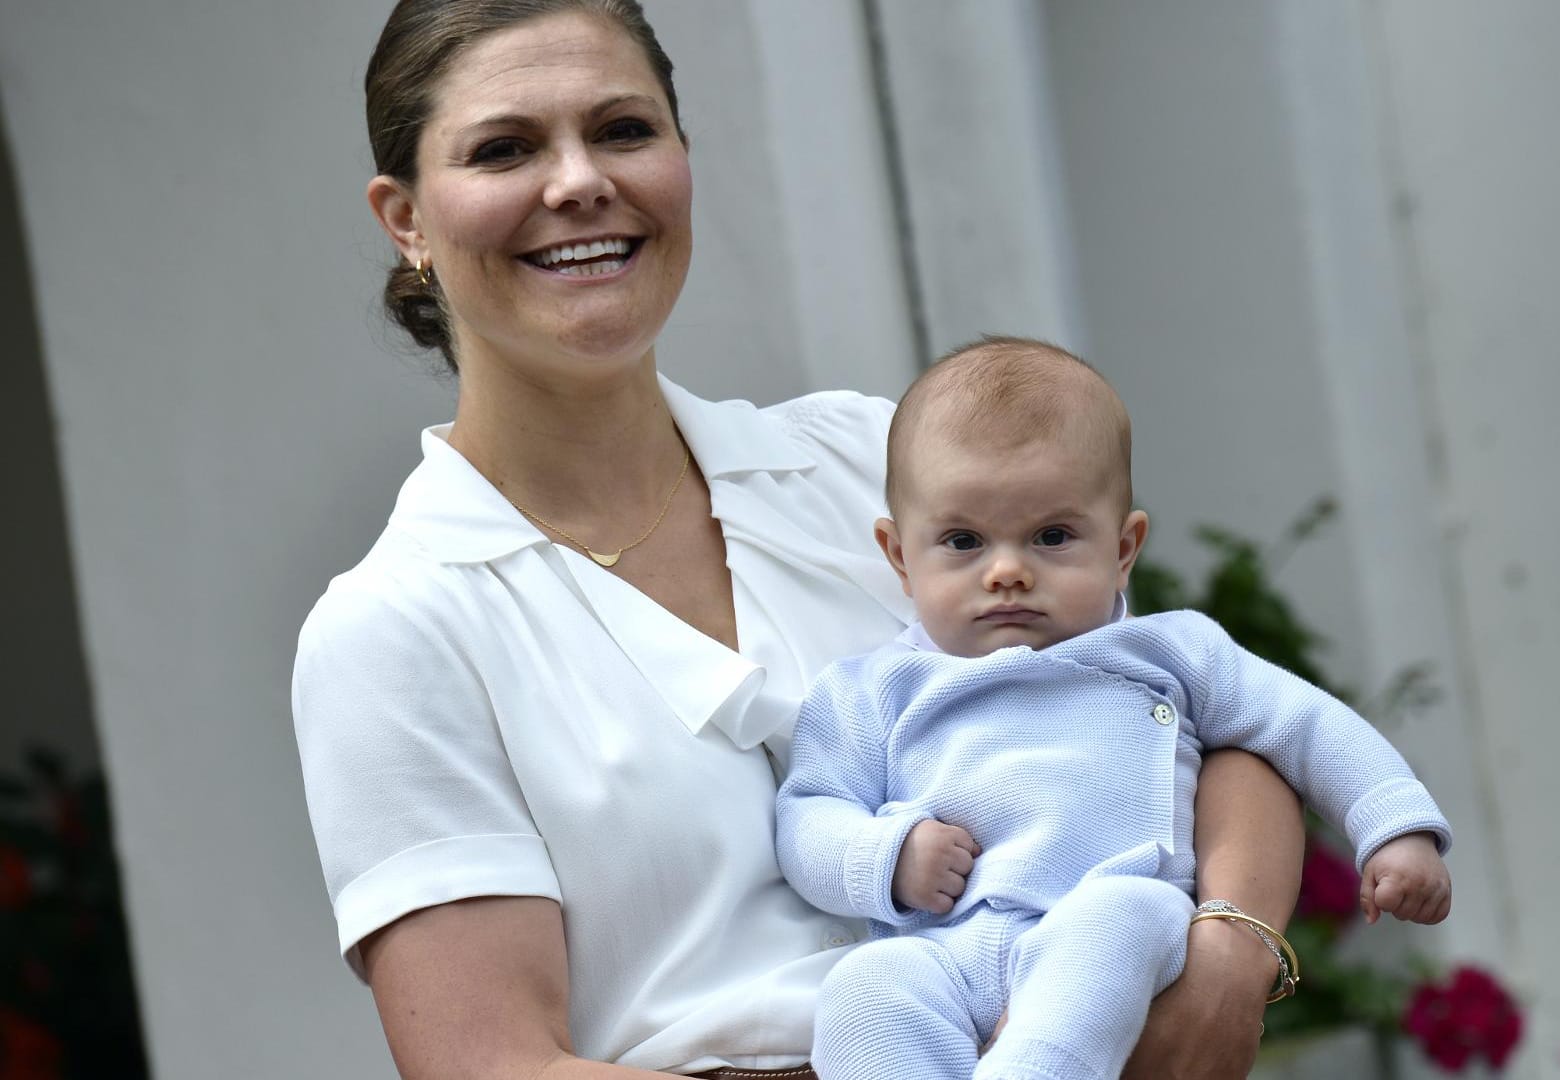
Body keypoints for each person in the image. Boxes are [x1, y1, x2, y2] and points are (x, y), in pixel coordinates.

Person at [291, 3, 1309, 1078]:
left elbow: (1188, 717)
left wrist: (1229, 959)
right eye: (506, 148)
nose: (580, 180)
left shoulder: (874, 463)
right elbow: (490, 1066)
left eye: (626, 130)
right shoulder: (397, 631)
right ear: (404, 218)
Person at [774, 338, 1454, 1080]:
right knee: (865, 990)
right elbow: (810, 814)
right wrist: (887, 855)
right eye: (963, 541)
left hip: (1107, 916)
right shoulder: (870, 690)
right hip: (946, 948)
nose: (1007, 571)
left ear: (1124, 547)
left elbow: (1307, 723)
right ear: (901, 556)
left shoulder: (1172, 653)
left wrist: (1395, 828)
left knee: (1118, 923)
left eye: (1052, 536)